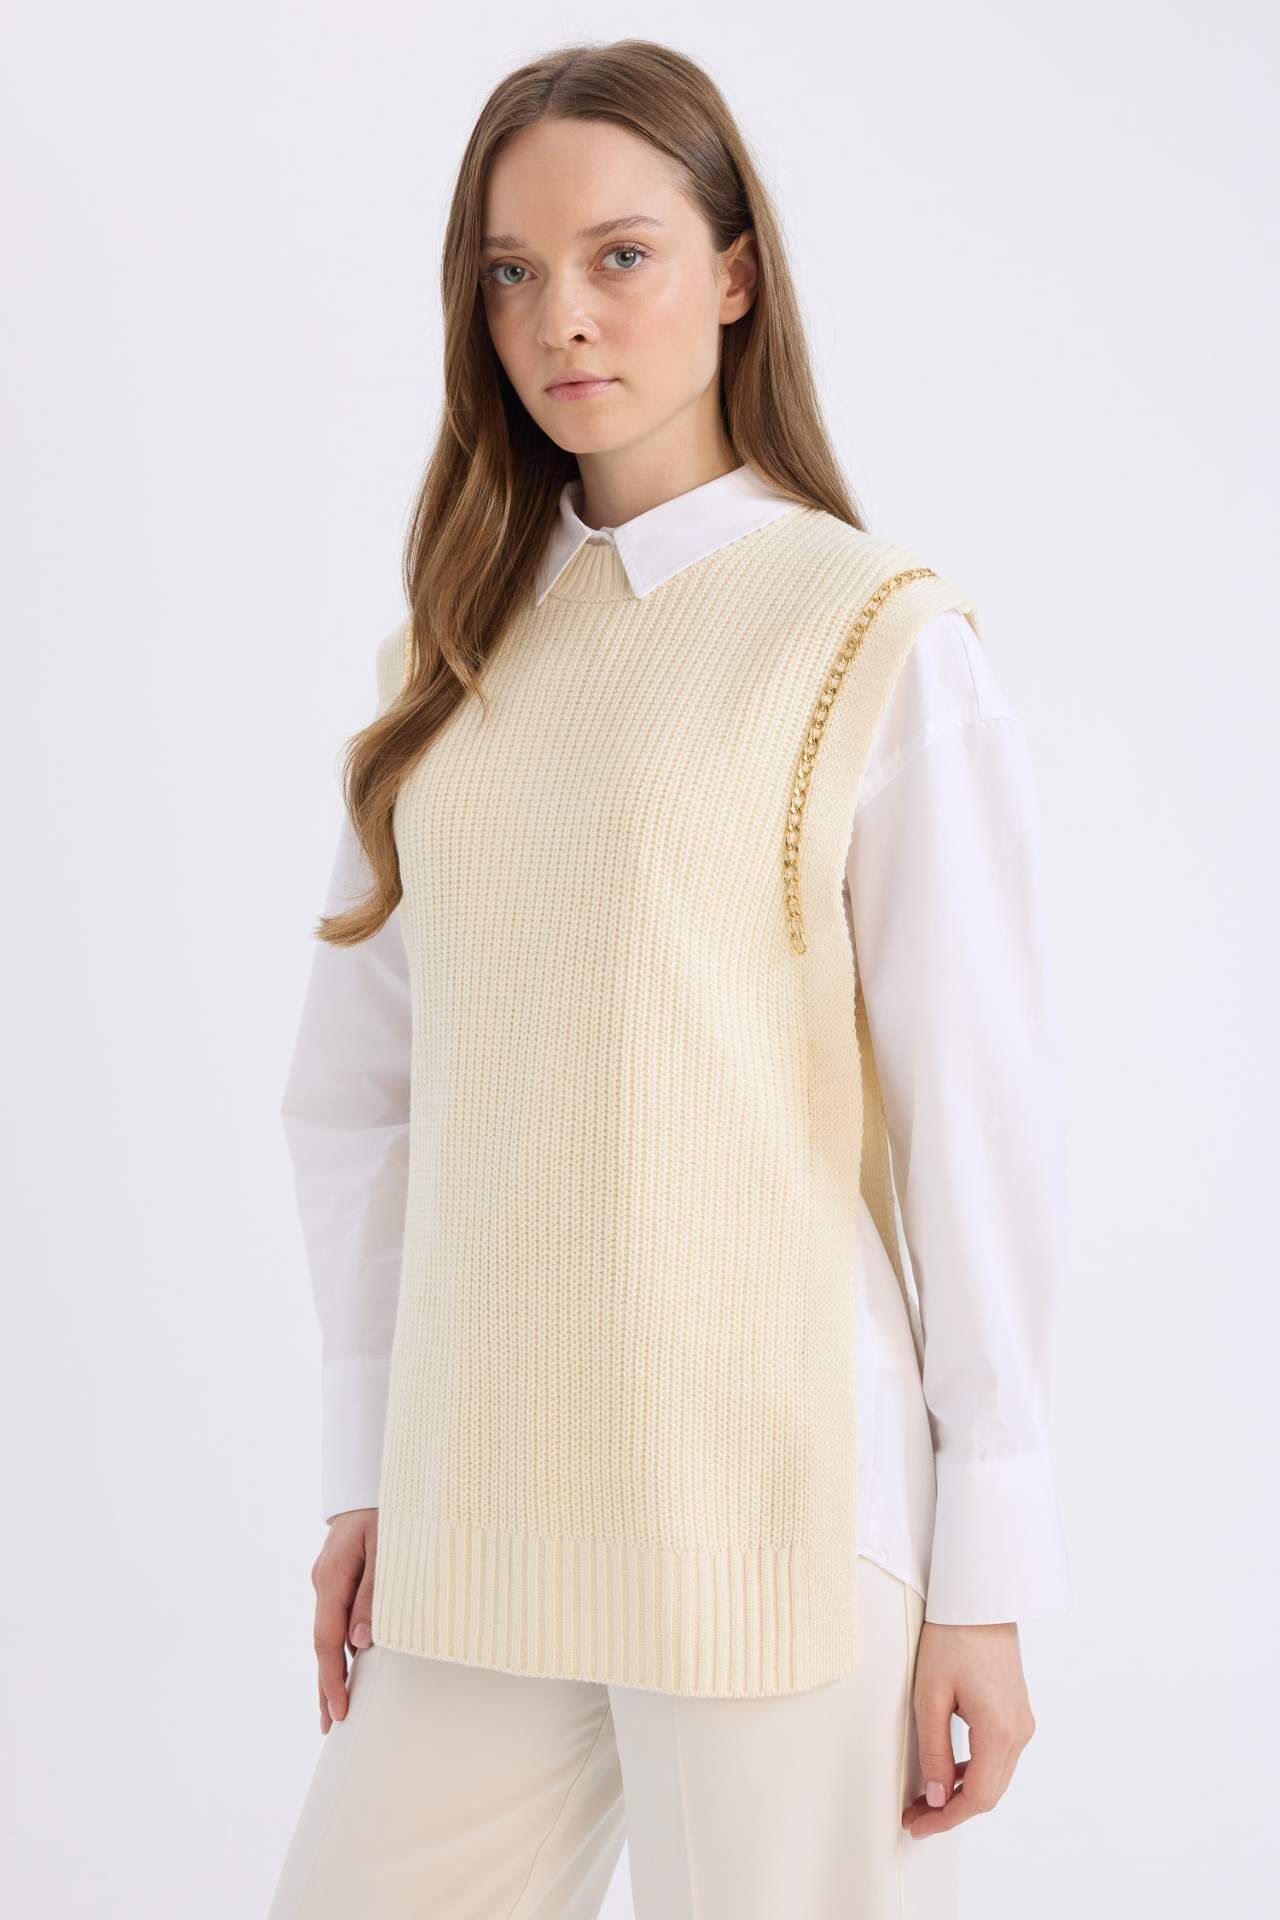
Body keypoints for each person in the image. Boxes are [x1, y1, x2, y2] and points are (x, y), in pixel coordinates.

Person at [266, 37, 1072, 1920]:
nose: (561, 316)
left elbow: (975, 1133)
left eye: (619, 256)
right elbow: (361, 1100)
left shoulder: (873, 638)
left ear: (733, 275)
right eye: (511, 271)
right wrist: (365, 1469)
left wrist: (987, 1575)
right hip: (483, 1500)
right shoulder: (450, 660)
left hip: (771, 1509)